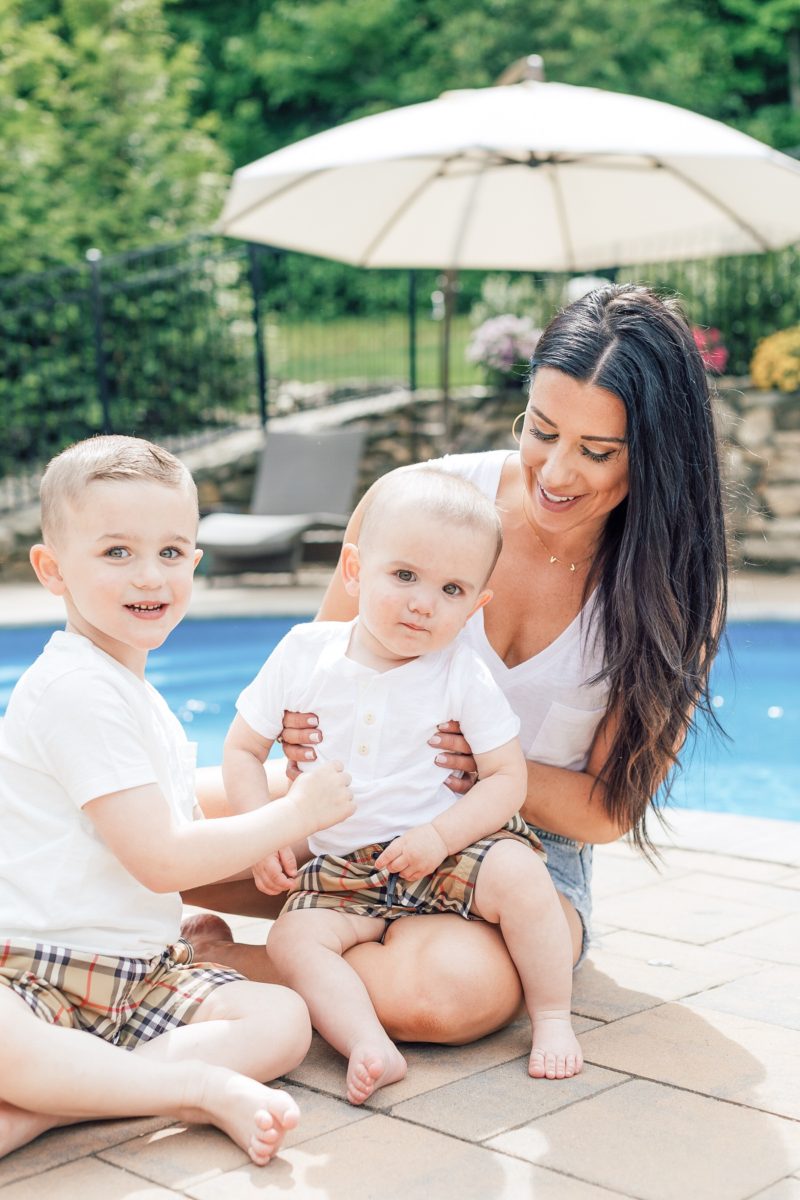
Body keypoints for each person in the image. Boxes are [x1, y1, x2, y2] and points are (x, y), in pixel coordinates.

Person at [184, 283, 728, 1048]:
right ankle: (330, 942)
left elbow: (608, 812)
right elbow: (317, 670)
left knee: (447, 996)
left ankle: (214, 963)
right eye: (541, 431)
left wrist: (484, 767)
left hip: (517, 857)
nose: (558, 472)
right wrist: (290, 767)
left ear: (659, 454)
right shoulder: (419, 502)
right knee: (134, 825)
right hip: (354, 810)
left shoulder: (673, 590)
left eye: (597, 451)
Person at [0, 435, 355, 1164]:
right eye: (116, 552)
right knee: (11, 1040)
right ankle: (194, 1088)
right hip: (31, 969)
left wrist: (186, 908)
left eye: (170, 552)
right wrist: (291, 815)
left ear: (195, 561)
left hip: (136, 977)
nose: (149, 575)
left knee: (283, 1017)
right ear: (52, 569)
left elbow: (147, 854)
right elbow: (162, 858)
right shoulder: (76, 689)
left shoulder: (137, 694)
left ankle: (48, 1107)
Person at [224, 468, 583, 1104]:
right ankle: (366, 1042)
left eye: (451, 589)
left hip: (446, 850)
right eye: (404, 576)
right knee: (294, 938)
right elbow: (244, 750)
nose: (423, 602)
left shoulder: (460, 674)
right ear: (355, 571)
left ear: (476, 606)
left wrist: (440, 833)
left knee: (524, 875)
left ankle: (552, 1016)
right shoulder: (304, 652)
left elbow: (507, 778)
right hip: (343, 866)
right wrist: (265, 830)